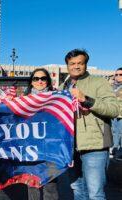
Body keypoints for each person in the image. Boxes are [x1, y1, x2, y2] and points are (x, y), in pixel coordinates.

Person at [60, 49, 119, 200]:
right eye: (72, 63)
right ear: (67, 66)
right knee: (77, 190)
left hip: (95, 145)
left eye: (80, 63)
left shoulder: (99, 82)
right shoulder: (62, 87)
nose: (76, 66)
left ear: (86, 64)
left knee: (95, 193)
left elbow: (114, 109)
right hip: (70, 148)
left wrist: (86, 99)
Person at [24, 68, 58, 200]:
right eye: (36, 78)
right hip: (31, 148)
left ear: (48, 81)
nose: (39, 81)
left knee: (51, 185)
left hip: (52, 148)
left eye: (43, 78)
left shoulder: (57, 98)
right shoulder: (24, 100)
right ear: (31, 82)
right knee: (33, 184)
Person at [111, 67, 122, 158]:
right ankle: (115, 149)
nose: (118, 76)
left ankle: (120, 151)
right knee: (114, 132)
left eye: (120, 74)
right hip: (114, 114)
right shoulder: (112, 86)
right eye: (116, 74)